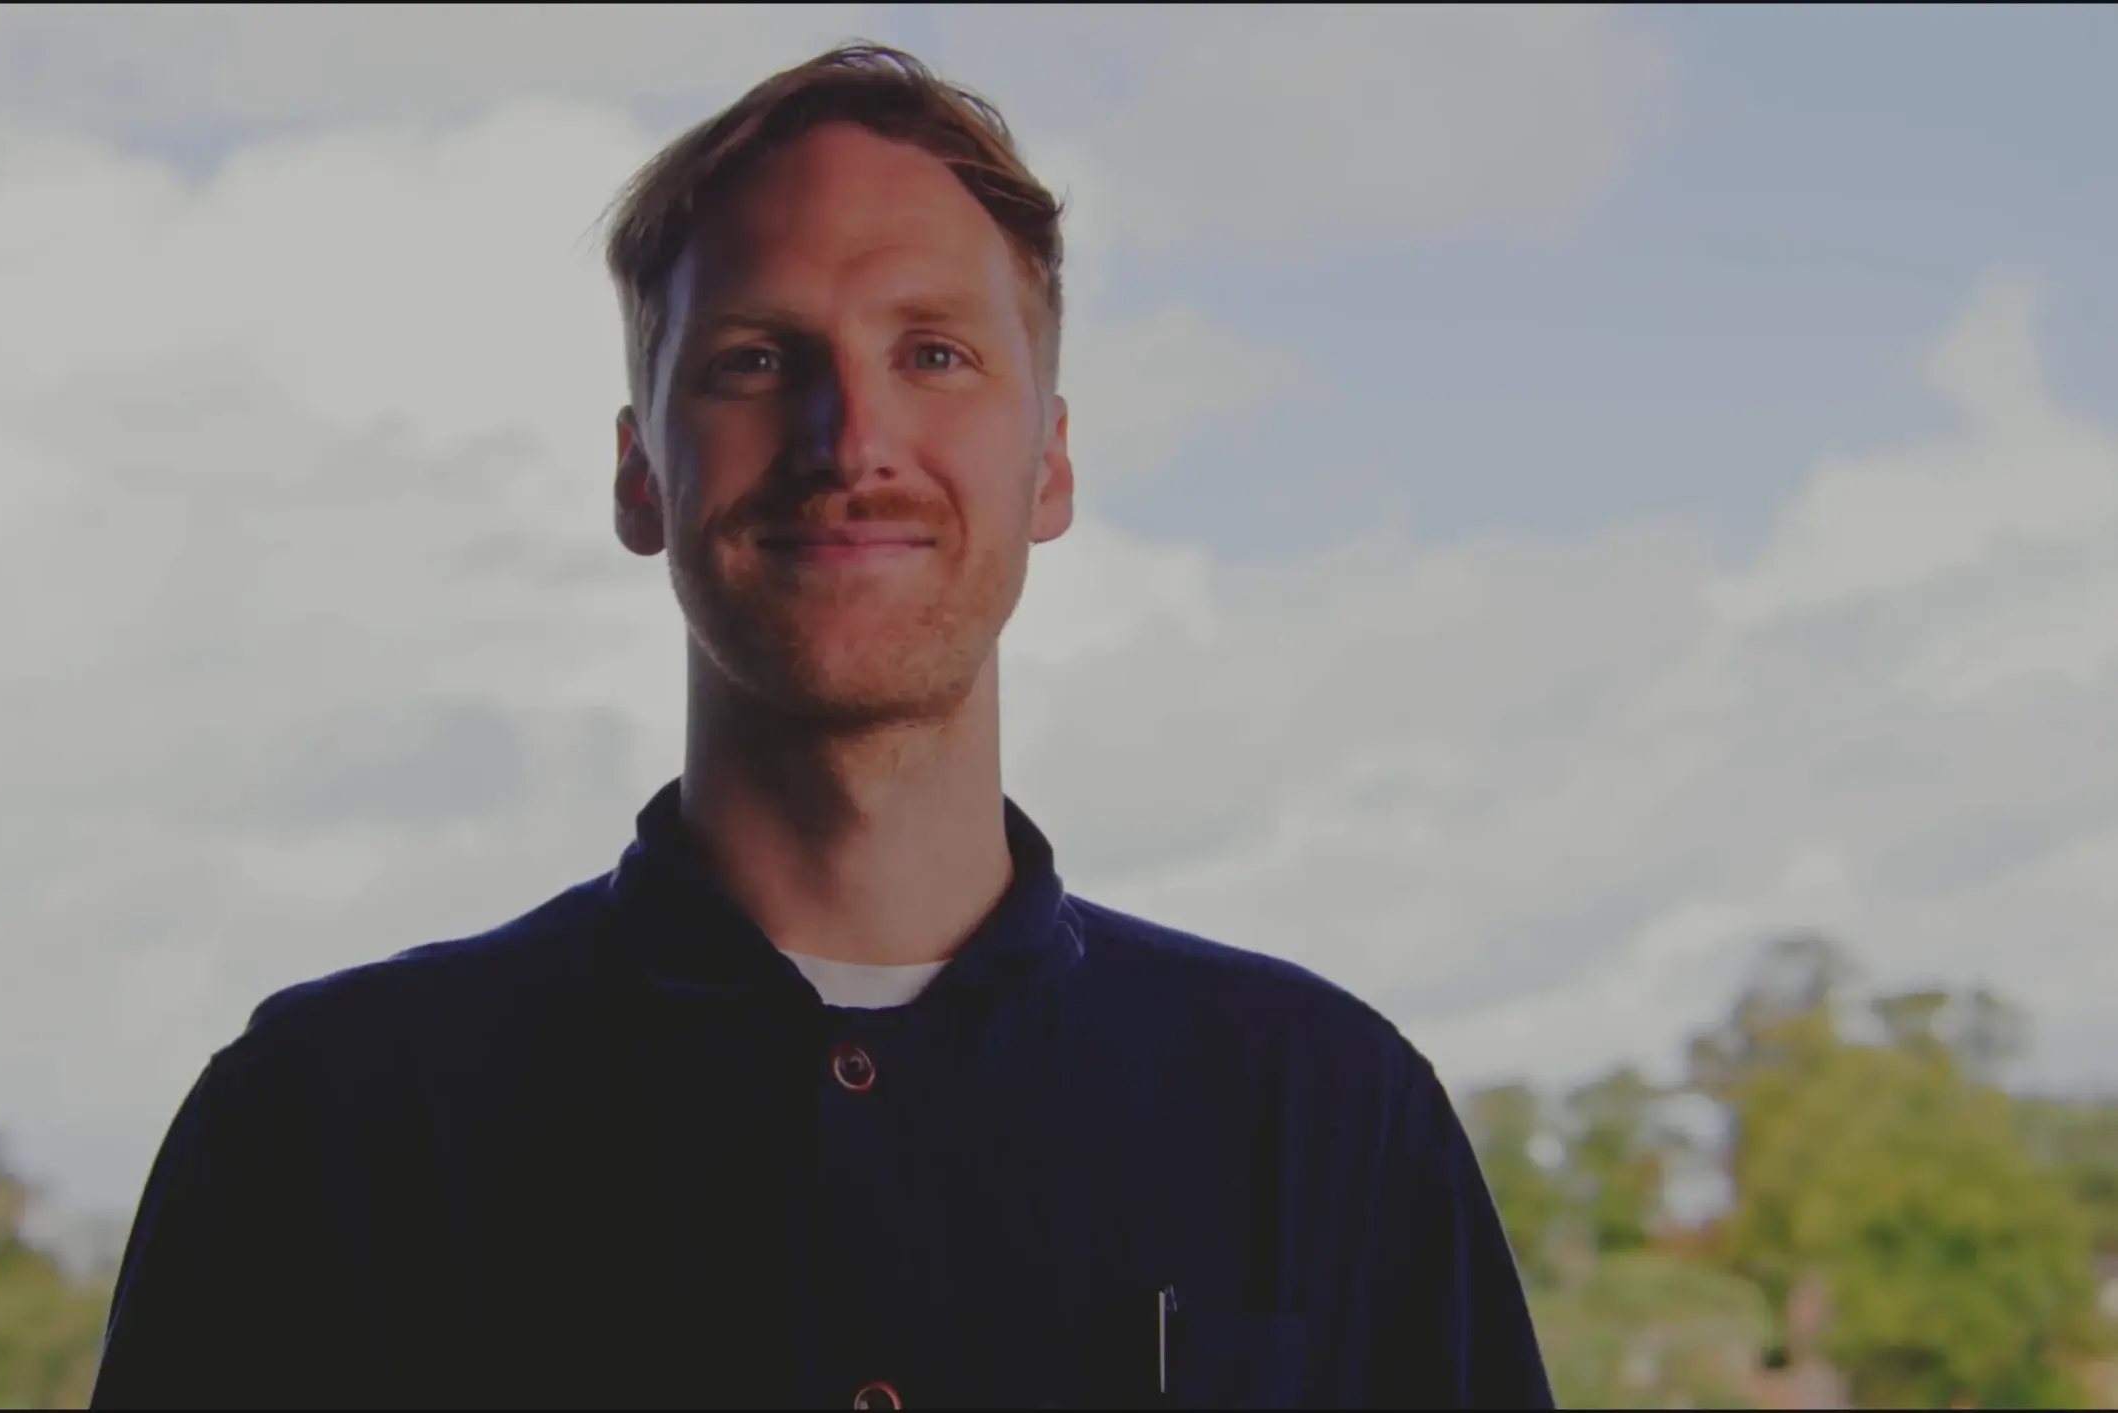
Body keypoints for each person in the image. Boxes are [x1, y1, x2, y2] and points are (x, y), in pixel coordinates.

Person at [90, 42, 1553, 1412]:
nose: (849, 440)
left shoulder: (1331, 1121)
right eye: (753, 360)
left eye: (934, 355)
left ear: (1049, 465)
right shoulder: (319, 1132)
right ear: (639, 473)